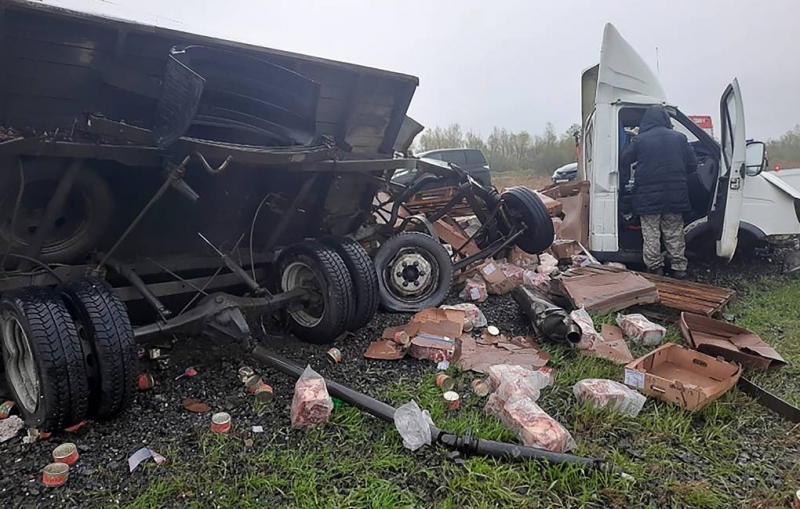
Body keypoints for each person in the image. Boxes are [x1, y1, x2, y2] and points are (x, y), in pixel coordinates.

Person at [620, 105, 697, 279]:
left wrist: (627, 179)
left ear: (646, 121)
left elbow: (625, 159)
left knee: (651, 233)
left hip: (647, 198)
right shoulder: (680, 138)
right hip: (675, 195)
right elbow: (693, 165)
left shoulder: (640, 140)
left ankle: (656, 268)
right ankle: (678, 268)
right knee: (674, 232)